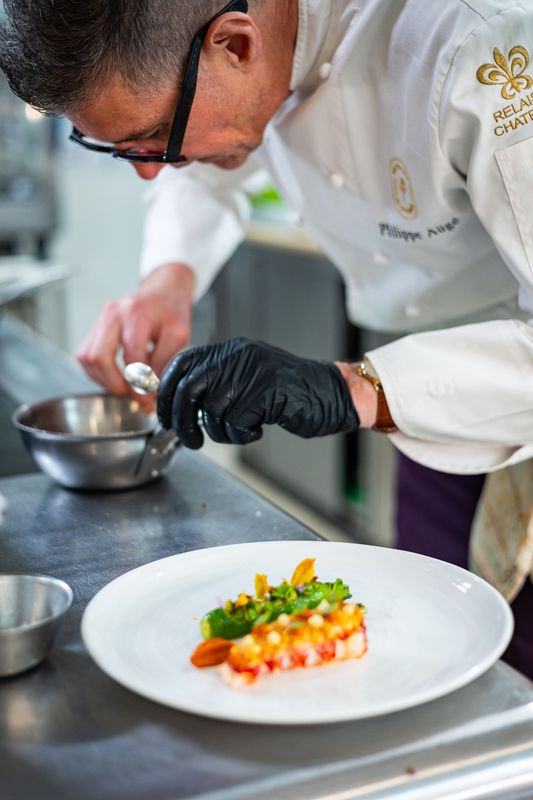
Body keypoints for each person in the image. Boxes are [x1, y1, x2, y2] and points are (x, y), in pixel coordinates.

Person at [2, 0, 533, 678]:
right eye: (118, 148)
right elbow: (211, 167)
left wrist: (347, 388)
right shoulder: (254, 49)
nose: (148, 170)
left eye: (154, 137)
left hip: (490, 378)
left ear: (236, 43)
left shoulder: (482, 45)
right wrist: (169, 274)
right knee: (428, 651)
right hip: (426, 410)